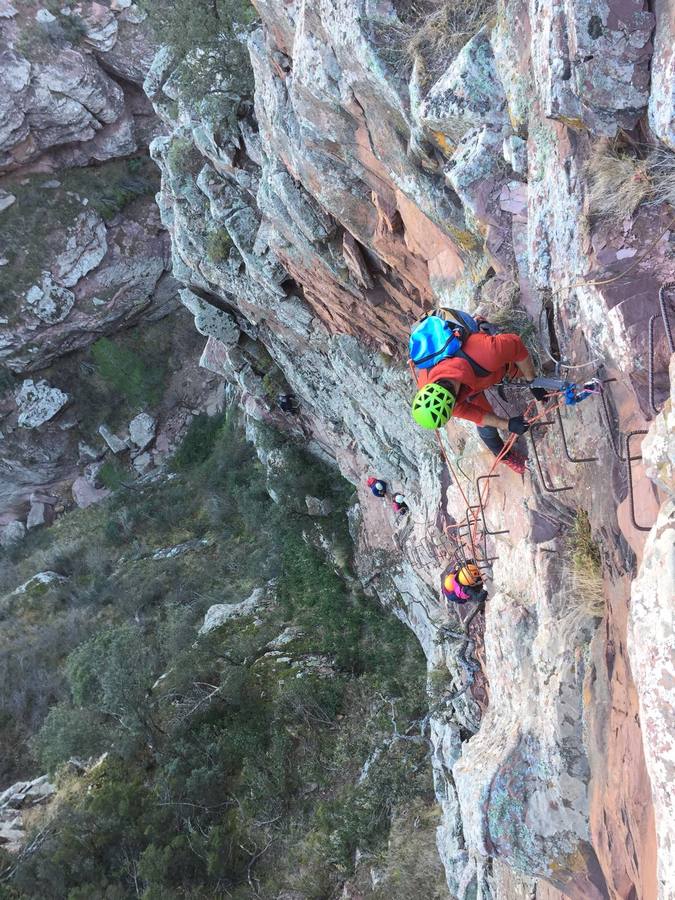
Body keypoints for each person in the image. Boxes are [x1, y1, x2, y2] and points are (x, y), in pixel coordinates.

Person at [411, 330, 548, 474]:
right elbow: (478, 415)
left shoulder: (485, 354)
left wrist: (532, 381)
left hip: (477, 367)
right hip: (468, 387)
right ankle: (503, 455)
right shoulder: (443, 398)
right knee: (485, 424)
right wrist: (508, 424)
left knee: (516, 369)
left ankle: (507, 370)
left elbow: (516, 344)